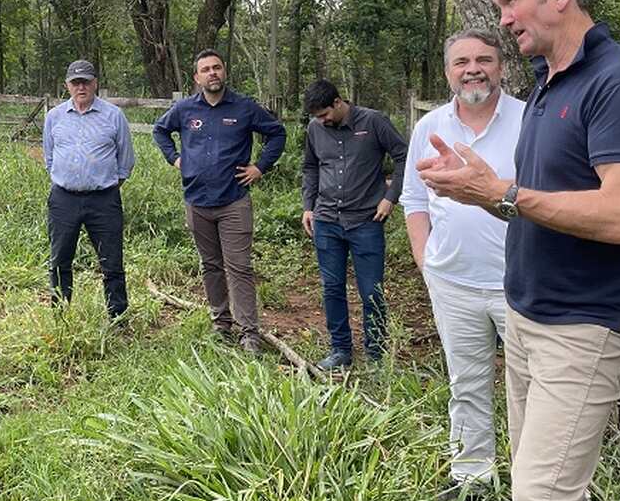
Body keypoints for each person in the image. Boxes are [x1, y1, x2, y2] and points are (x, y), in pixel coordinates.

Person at [420, 0, 620, 501]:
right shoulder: (549, 86)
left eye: (510, 2)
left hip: (587, 322)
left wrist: (501, 193)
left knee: (544, 498)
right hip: (531, 314)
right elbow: (545, 201)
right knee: (538, 494)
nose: (502, 19)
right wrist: (486, 187)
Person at [400, 29, 523, 501]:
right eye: (462, 61)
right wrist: (425, 259)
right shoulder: (429, 126)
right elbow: (413, 197)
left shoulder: (529, 120)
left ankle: (535, 485)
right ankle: (472, 476)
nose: (473, 68)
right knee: (466, 380)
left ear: (501, 67)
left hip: (520, 282)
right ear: (448, 71)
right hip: (452, 280)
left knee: (529, 387)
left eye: (484, 59)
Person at [153, 49, 286, 353]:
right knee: (210, 266)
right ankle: (221, 323)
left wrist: (260, 167)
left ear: (224, 72)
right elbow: (160, 131)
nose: (212, 73)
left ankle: (249, 332)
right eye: (206, 70)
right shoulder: (185, 109)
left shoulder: (245, 107)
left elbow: (277, 134)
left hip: (234, 202)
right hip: (197, 201)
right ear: (197, 77)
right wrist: (175, 159)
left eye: (217, 68)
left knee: (239, 267)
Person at [301, 79, 407, 370]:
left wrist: (390, 197)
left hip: (366, 220)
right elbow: (310, 167)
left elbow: (403, 155)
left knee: (372, 289)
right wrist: (307, 206)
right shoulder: (315, 129)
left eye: (324, 115)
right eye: (316, 117)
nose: (321, 121)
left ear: (338, 103)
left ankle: (376, 353)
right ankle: (340, 351)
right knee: (332, 287)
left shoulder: (373, 122)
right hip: (326, 220)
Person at [42, 59, 136, 319]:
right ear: (67, 85)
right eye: (75, 82)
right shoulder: (54, 117)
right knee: (60, 260)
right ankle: (60, 317)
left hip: (104, 200)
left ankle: (117, 318)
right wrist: (68, 179)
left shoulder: (113, 116)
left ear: (95, 83)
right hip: (63, 199)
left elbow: (125, 160)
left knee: (112, 262)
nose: (81, 86)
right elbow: (49, 157)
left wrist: (105, 184)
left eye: (86, 81)